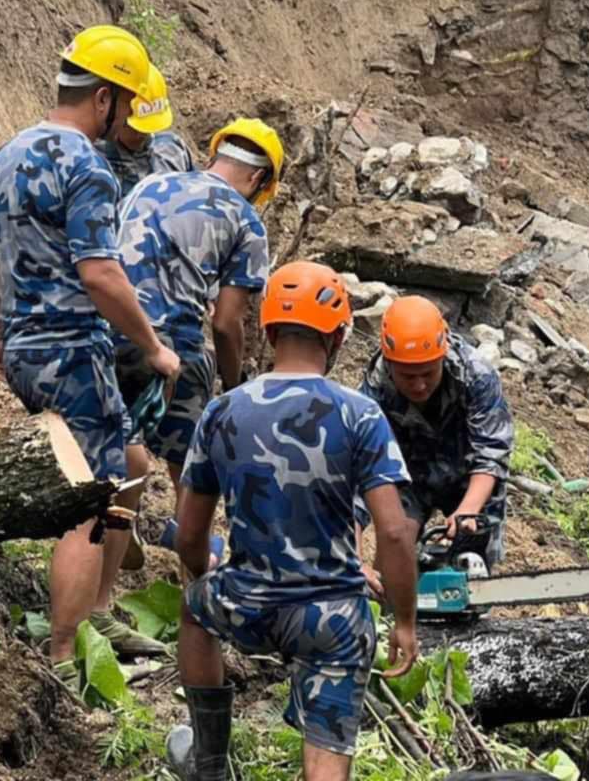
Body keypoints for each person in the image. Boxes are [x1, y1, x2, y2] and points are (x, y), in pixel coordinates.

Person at [0, 24, 181, 682]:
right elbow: (100, 274)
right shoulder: (86, 165)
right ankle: (65, 656)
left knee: (130, 462)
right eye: (126, 104)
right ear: (107, 98)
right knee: (90, 499)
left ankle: (100, 613)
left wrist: (0, 333)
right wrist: (154, 347)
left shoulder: (8, 152)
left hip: (28, 350)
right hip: (73, 352)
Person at [168, 261, 419, 781]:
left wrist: (204, 576)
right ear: (341, 334)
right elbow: (393, 531)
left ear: (267, 328)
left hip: (248, 602)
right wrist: (405, 621)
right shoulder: (359, 414)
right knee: (326, 758)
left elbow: (190, 532)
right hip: (331, 621)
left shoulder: (222, 411)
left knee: (195, 613)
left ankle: (210, 764)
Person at [113, 118, 283, 560]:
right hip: (170, 342)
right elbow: (226, 324)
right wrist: (234, 384)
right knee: (192, 443)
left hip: (105, 319)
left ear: (214, 156)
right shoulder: (247, 223)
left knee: (120, 431)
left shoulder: (151, 183)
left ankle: (119, 512)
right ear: (259, 178)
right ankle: (192, 543)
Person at [357, 296, 514, 585]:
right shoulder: (373, 391)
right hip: (407, 474)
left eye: (428, 373)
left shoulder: (476, 374)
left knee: (472, 561)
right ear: (390, 364)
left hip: (470, 475)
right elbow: (360, 469)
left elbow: (491, 453)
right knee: (395, 548)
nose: (419, 385)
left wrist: (468, 509)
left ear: (442, 357)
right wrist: (352, 559)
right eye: (407, 376)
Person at [94, 66, 195, 200]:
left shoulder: (173, 149)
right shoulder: (97, 162)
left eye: (148, 127)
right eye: (136, 128)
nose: (141, 135)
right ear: (119, 112)